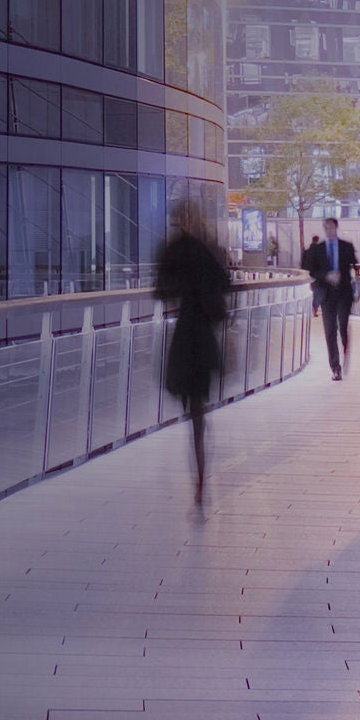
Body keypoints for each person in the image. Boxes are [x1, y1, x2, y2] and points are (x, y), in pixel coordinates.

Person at [153, 199, 232, 503]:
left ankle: (198, 474)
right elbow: (224, 285)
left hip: (185, 338)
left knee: (192, 409)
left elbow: (161, 291)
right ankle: (201, 476)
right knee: (199, 411)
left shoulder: (175, 249)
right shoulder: (207, 248)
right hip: (205, 338)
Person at [302, 219, 358, 378]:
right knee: (330, 330)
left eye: (330, 227)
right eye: (325, 227)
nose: (328, 230)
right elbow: (310, 270)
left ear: (336, 227)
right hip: (326, 294)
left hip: (343, 292)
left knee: (343, 326)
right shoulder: (317, 249)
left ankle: (346, 348)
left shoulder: (346, 247)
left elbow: (355, 266)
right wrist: (326, 276)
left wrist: (345, 276)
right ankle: (335, 367)